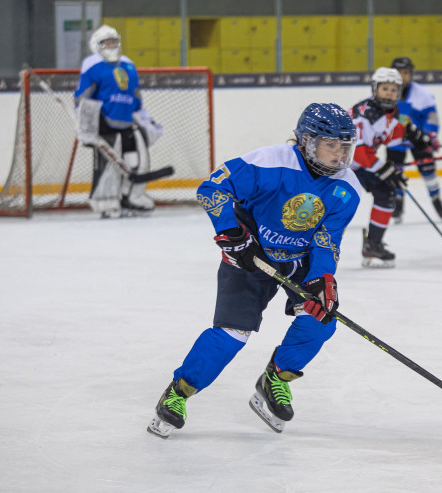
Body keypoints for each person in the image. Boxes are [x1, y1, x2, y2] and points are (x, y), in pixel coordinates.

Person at [147, 103, 360, 437]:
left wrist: (323, 277)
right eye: (330, 144)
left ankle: (276, 377)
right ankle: (178, 393)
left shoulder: (347, 188)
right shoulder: (269, 162)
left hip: (298, 261)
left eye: (344, 145)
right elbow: (212, 189)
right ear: (306, 140)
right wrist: (232, 235)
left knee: (320, 317)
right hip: (249, 254)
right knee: (231, 335)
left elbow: (326, 239)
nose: (339, 153)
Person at [74, 25, 162, 218]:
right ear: (97, 45)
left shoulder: (129, 65)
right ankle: (105, 202)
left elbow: (136, 95)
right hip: (104, 123)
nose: (111, 45)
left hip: (128, 122)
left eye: (113, 41)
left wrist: (144, 119)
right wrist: (85, 124)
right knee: (108, 166)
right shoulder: (93, 65)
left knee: (135, 161)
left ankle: (129, 197)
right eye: (106, 42)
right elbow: (84, 97)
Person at [350, 67, 433, 268]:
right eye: (385, 88)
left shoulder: (389, 110)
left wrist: (411, 135)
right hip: (341, 166)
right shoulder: (364, 113)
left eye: (394, 89)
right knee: (334, 206)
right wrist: (385, 169)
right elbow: (359, 150)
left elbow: (387, 133)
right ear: (375, 89)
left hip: (359, 165)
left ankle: (373, 244)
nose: (389, 93)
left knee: (386, 193)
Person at [387, 57, 442, 223]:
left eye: (405, 73)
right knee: (395, 174)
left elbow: (432, 117)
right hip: (395, 140)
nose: (402, 76)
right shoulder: (384, 92)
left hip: (419, 138)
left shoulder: (423, 94)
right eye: (398, 73)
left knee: (428, 172)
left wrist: (431, 135)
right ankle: (397, 203)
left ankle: (436, 199)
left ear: (411, 74)